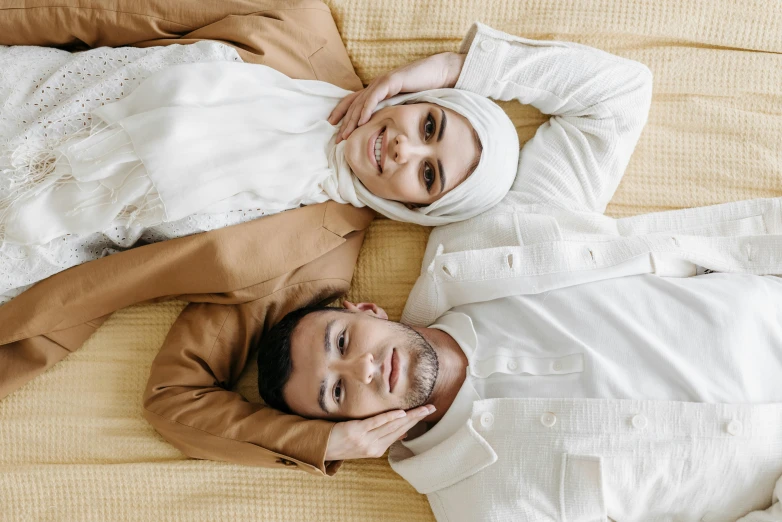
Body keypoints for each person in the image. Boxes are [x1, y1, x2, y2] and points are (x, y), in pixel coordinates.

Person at [254, 23, 782, 520]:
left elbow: (613, 97)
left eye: (343, 342)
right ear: (352, 431)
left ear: (365, 309)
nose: (364, 369)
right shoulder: (479, 504)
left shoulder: (487, 238)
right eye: (339, 394)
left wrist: (450, 71)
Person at [0, 23, 518, 303]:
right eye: (430, 126)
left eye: (428, 175)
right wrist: (455, 65)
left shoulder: (311, 263)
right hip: (19, 90)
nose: (408, 149)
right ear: (418, 96)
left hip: (25, 244)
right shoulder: (297, 26)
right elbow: (104, 13)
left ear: (415, 208)